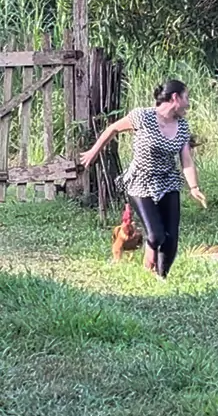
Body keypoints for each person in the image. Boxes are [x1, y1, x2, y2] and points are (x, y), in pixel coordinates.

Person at [80, 79, 207, 279]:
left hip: (168, 181)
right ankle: (150, 252)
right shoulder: (143, 116)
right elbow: (112, 129)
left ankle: (161, 277)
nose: (188, 103)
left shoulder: (182, 126)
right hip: (141, 181)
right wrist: (93, 152)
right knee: (156, 235)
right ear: (175, 98)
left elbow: (186, 160)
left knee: (171, 238)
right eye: (186, 97)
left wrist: (194, 187)